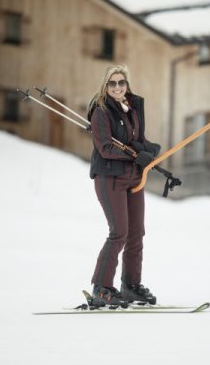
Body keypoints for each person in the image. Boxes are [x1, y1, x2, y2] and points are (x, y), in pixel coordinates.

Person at [87, 64, 161, 307]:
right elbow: (105, 147)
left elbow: (137, 142)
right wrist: (135, 155)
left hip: (133, 178)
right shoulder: (101, 112)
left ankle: (130, 286)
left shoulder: (132, 109)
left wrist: (150, 150)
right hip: (110, 179)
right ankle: (101, 287)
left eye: (121, 83)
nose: (117, 87)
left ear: (127, 85)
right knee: (119, 233)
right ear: (105, 86)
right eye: (112, 83)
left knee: (136, 234)